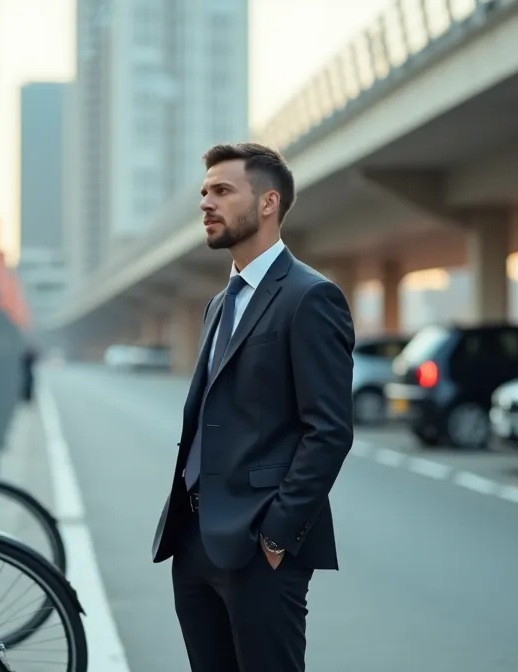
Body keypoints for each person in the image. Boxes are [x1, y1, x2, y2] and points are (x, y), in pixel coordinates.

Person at [150, 142, 355, 671]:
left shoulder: (311, 297)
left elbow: (328, 431)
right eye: (204, 192)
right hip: (194, 540)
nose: (206, 203)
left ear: (267, 203)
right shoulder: (221, 303)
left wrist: (277, 535)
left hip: (260, 548)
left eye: (222, 190)